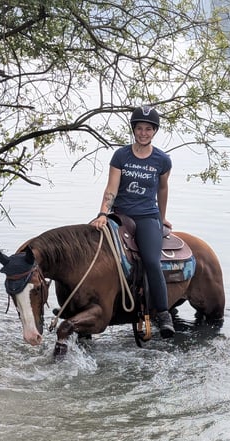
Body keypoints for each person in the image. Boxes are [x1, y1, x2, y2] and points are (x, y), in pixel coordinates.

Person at [90, 105, 175, 338]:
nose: (143, 133)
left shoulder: (162, 160)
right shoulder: (121, 156)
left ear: (154, 131)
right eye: (139, 128)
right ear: (134, 130)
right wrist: (102, 214)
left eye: (148, 129)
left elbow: (163, 190)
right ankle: (83, 301)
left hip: (147, 216)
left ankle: (163, 313)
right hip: (120, 215)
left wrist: (162, 217)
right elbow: (111, 188)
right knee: (92, 248)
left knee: (150, 259)